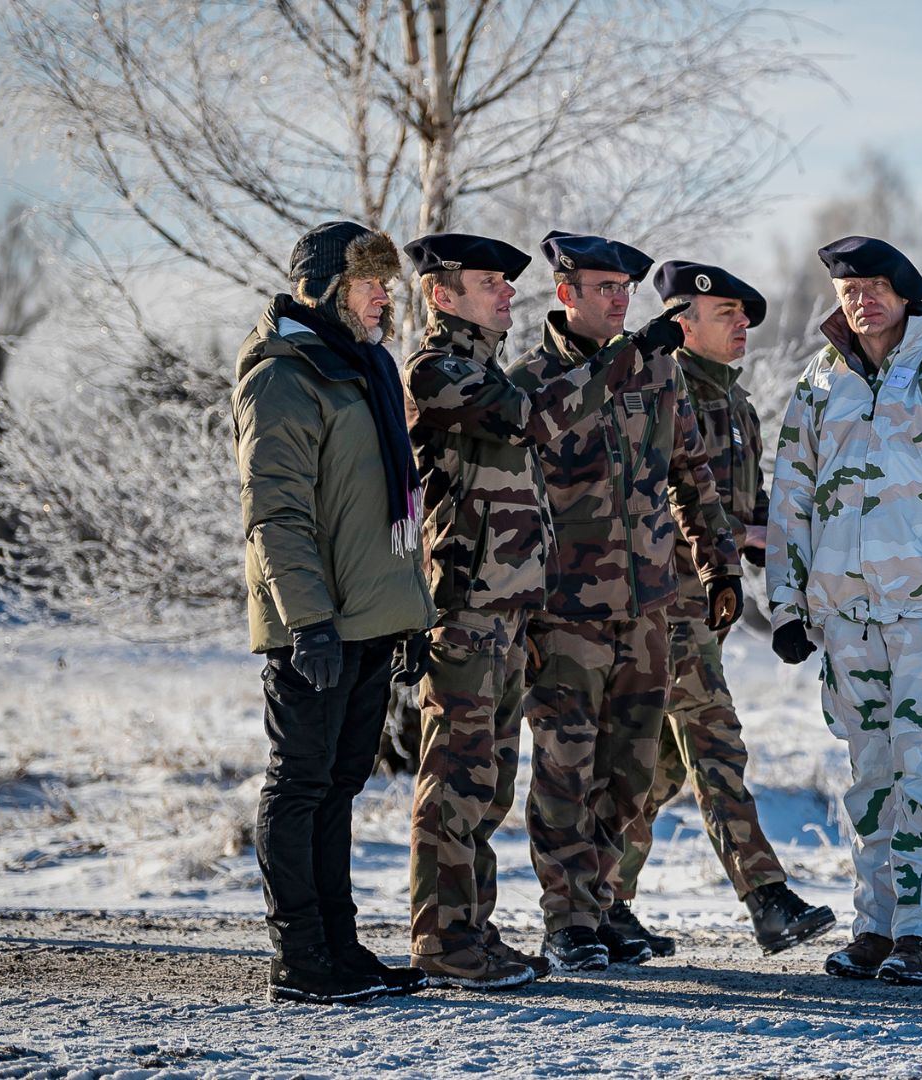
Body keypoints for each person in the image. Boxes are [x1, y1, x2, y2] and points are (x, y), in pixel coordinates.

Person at [767, 236, 922, 985]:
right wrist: (786, 606)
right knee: (868, 779)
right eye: (850, 289)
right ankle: (873, 929)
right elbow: (791, 501)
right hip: (845, 619)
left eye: (876, 286)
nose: (862, 300)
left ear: (907, 293)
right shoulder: (819, 382)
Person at [507, 232, 742, 971]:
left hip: (648, 606)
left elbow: (691, 471)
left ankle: (606, 904)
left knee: (632, 767)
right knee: (564, 765)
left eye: (623, 289)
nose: (617, 300)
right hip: (565, 608)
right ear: (566, 294)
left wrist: (719, 565)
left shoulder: (659, 375)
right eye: (603, 288)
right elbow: (513, 499)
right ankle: (566, 919)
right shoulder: (529, 381)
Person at [400, 232, 628, 987]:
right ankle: (440, 941)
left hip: (505, 611)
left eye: (506, 283)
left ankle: (472, 930)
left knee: (489, 784)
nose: (506, 294)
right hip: (462, 610)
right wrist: (607, 366)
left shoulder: (483, 370)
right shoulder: (438, 373)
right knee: (455, 782)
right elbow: (534, 415)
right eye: (489, 282)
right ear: (442, 295)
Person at [231, 220, 437, 1004]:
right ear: (326, 287)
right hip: (311, 623)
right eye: (368, 283)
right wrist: (307, 620)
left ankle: (341, 950)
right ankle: (300, 958)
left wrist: (408, 616)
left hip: (366, 618)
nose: (384, 296)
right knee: (301, 783)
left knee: (341, 783)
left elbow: (386, 507)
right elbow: (276, 512)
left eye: (385, 283)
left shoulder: (363, 367)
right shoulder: (283, 373)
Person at [609, 260, 836, 956]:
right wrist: (736, 536)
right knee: (716, 743)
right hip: (661, 603)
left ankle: (600, 901)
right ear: (684, 323)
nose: (743, 325)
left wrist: (772, 540)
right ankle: (766, 898)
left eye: (744, 315)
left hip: (706, 608)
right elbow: (646, 498)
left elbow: (744, 504)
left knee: (662, 769)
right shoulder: (659, 395)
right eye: (728, 314)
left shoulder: (735, 406)